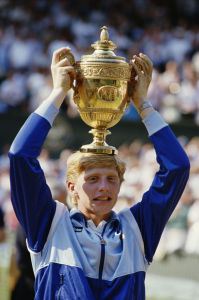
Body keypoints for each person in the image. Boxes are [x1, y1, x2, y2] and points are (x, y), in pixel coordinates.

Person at [9, 47, 190, 300]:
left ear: (120, 185)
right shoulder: (49, 225)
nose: (104, 187)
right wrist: (59, 92)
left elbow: (177, 167)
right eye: (92, 179)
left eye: (111, 179)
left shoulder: (137, 228)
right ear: (71, 187)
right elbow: (20, 156)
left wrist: (143, 105)